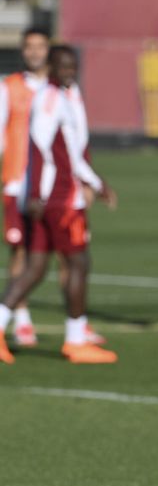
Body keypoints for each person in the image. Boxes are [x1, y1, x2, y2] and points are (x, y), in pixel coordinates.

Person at [0, 45, 117, 365]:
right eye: (63, 66)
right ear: (51, 67)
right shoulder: (51, 98)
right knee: (78, 263)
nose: (69, 72)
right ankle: (76, 341)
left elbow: (71, 154)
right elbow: (39, 148)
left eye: (72, 66)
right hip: (59, 198)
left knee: (35, 268)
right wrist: (38, 195)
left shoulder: (62, 94)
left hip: (50, 196)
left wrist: (97, 183)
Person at [0, 27, 50, 347]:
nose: (34, 52)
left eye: (39, 46)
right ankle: (22, 319)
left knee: (59, 251)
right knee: (19, 249)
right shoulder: (9, 87)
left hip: (51, 185)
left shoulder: (58, 87)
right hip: (18, 181)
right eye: (29, 46)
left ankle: (78, 322)